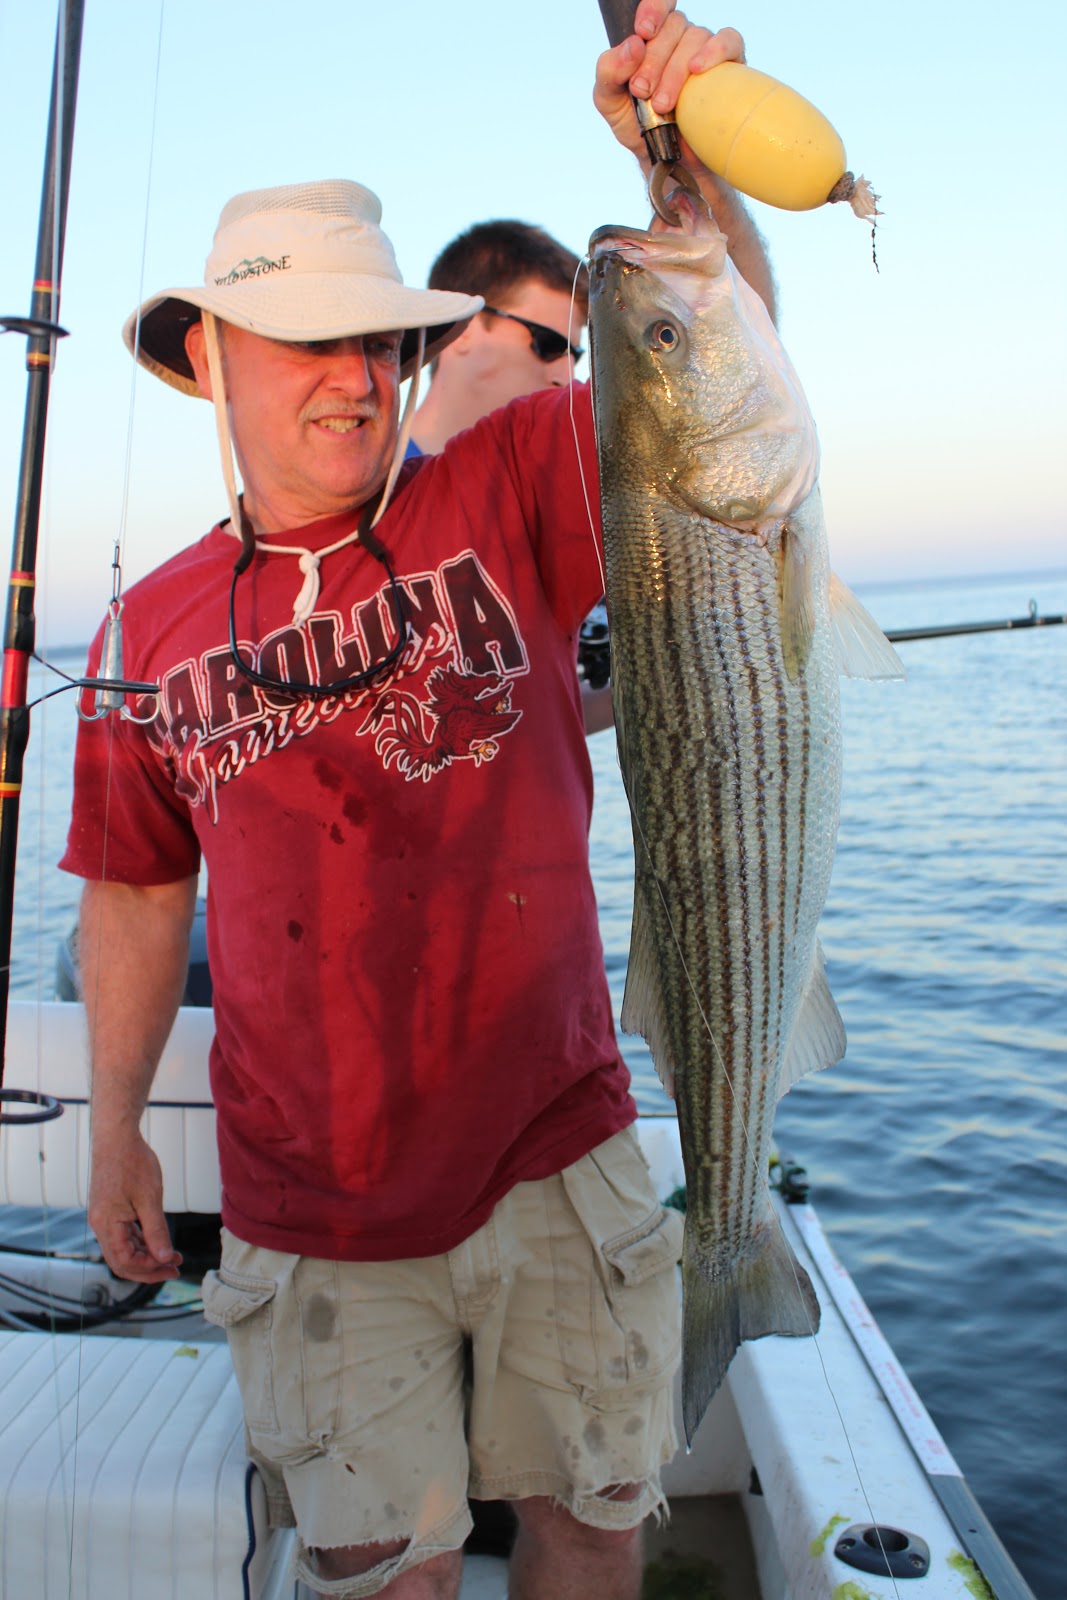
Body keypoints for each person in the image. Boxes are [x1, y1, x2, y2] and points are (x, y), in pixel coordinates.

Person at [63, 11, 774, 1598]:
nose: (345, 376)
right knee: (389, 1572)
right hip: (309, 1206)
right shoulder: (145, 631)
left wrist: (685, 163)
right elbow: (128, 891)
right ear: (207, 361)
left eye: (372, 340)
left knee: (593, 1527)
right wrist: (113, 1129)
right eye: (300, 339)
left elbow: (709, 388)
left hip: (559, 1149)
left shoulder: (512, 482)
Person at [412, 217, 616, 736]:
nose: (563, 373)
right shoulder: (375, 503)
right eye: (547, 344)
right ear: (459, 326)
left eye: (574, 354)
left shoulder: (573, 482)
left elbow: (543, 709)